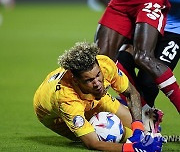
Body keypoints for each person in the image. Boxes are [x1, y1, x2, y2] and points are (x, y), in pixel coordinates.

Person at [33, 42, 164, 151]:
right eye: (89, 80)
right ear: (76, 80)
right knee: (103, 134)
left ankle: (147, 126)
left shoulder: (105, 64)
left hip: (94, 98)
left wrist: (138, 129)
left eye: (98, 75)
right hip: (55, 116)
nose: (97, 83)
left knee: (145, 128)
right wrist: (132, 148)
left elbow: (131, 93)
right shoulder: (66, 99)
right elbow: (93, 143)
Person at [95, 0, 180, 113]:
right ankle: (144, 115)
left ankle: (143, 115)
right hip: (131, 10)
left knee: (147, 78)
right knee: (105, 61)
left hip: (174, 30)